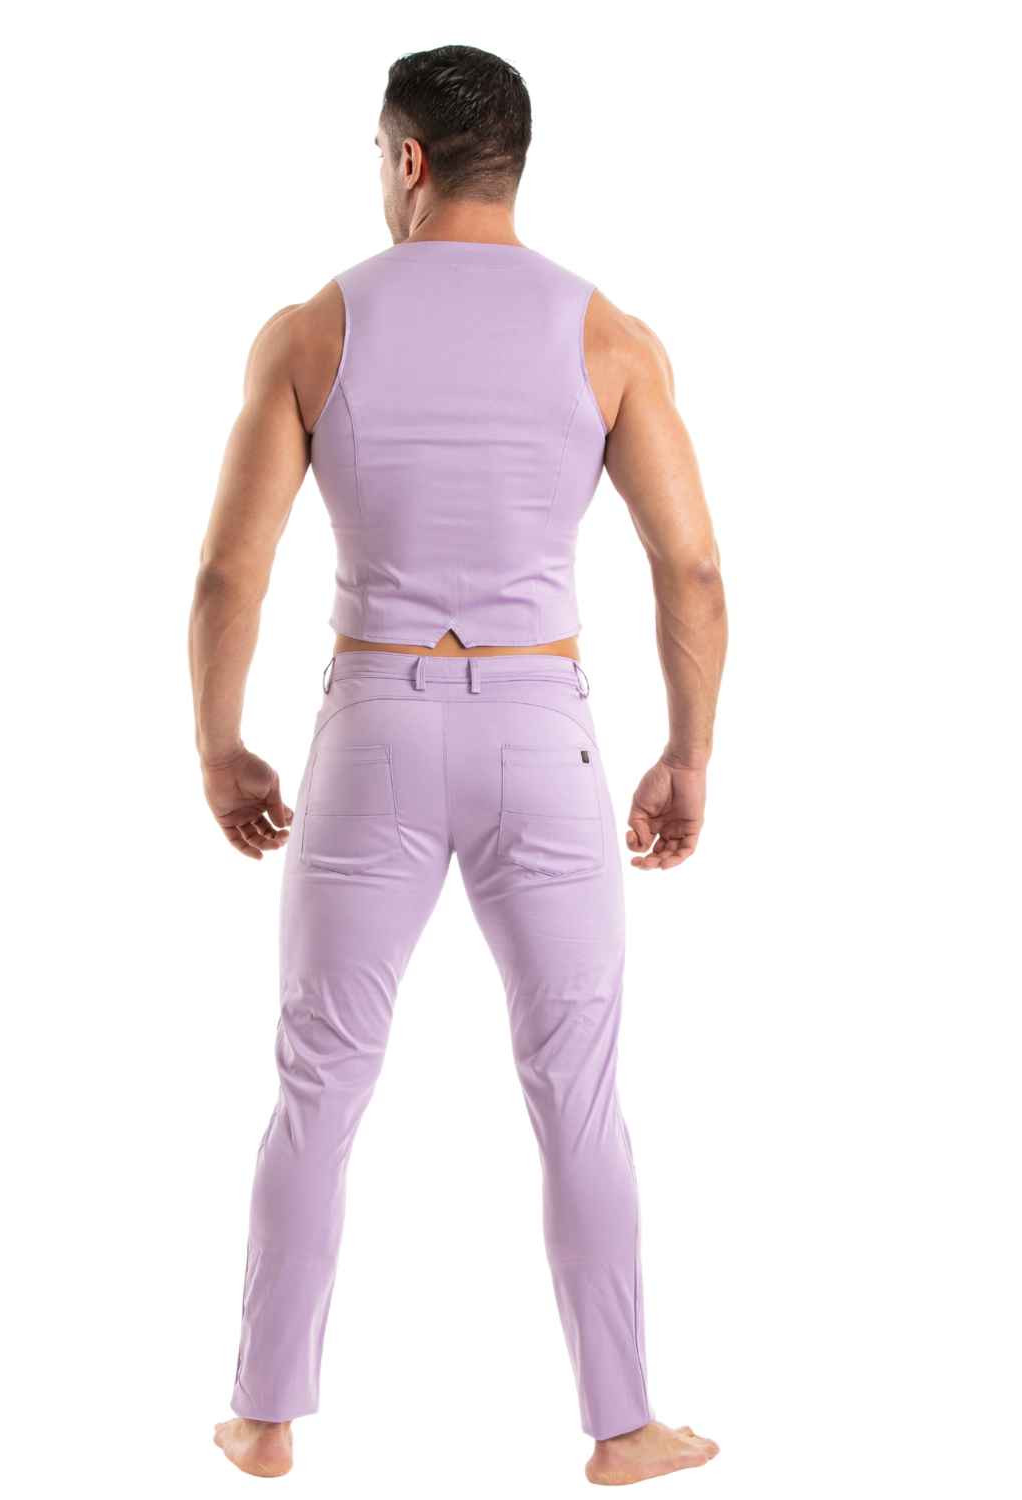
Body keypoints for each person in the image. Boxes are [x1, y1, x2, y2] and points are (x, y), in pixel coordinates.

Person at [190, 45, 727, 1487]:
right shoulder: (611, 337)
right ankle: (624, 1427)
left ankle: (264, 1415)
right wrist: (687, 753)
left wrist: (222, 745)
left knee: (319, 1078)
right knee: (577, 1086)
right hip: (543, 734)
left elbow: (230, 572)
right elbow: (690, 566)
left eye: (380, 154)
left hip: (371, 726)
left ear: (409, 160)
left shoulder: (312, 330)